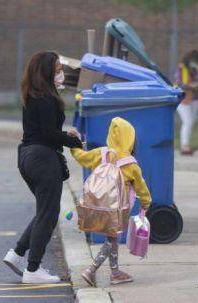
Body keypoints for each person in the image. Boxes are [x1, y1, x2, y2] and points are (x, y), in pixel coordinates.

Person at [3, 51, 83, 284]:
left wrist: (64, 135)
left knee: (45, 211)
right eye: (57, 69)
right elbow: (48, 134)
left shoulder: (34, 94)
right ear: (47, 72)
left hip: (28, 156)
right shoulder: (46, 98)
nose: (61, 73)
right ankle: (33, 269)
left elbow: (44, 130)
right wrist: (75, 141)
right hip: (42, 158)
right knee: (49, 213)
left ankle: (17, 254)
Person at [70, 117, 152, 286]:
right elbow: (141, 186)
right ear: (130, 139)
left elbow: (82, 157)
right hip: (120, 207)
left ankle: (115, 272)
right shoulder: (130, 163)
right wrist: (146, 202)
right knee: (113, 238)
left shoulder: (101, 153)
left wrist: (74, 144)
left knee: (112, 237)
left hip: (99, 204)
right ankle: (91, 270)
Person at [175, 50, 198, 156]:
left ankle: (187, 145)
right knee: (187, 122)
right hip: (184, 99)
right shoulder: (181, 68)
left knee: (190, 123)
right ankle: (184, 146)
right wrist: (190, 86)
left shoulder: (196, 69)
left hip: (194, 98)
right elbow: (179, 83)